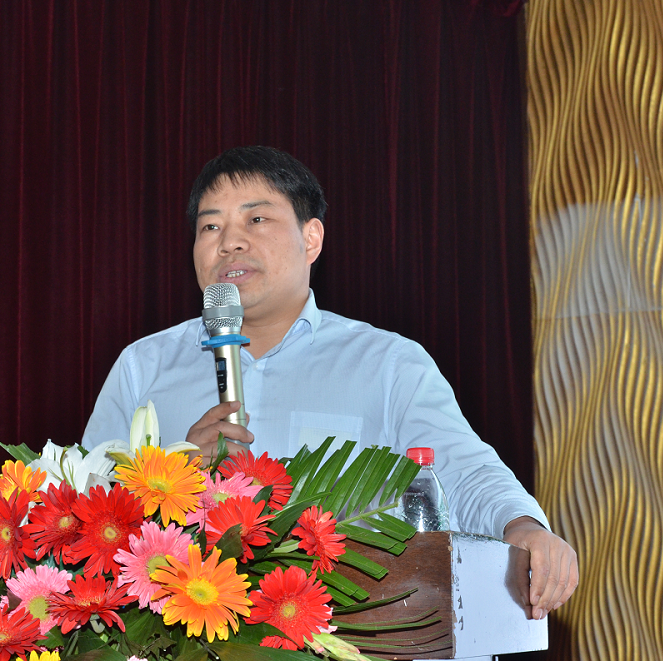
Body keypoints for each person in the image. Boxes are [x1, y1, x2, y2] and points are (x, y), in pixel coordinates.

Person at [82, 145, 578, 620]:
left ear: (311, 238)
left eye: (256, 219)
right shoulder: (142, 367)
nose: (229, 241)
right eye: (210, 226)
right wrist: (175, 479)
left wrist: (523, 526)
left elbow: (462, 471)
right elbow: (86, 506)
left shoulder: (388, 364)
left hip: (348, 633)